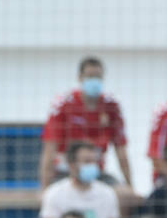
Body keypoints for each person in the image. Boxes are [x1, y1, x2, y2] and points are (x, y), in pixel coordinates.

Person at [39, 56, 133, 191]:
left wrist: (130, 185)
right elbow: (49, 149)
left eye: (98, 77)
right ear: (80, 78)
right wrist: (44, 188)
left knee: (126, 196)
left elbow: (121, 151)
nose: (94, 81)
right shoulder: (63, 104)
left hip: (97, 173)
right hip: (65, 173)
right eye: (89, 76)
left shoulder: (111, 106)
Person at [40, 141, 123, 218]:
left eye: (95, 161)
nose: (93, 166)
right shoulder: (54, 193)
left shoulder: (108, 193)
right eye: (87, 162)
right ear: (71, 165)